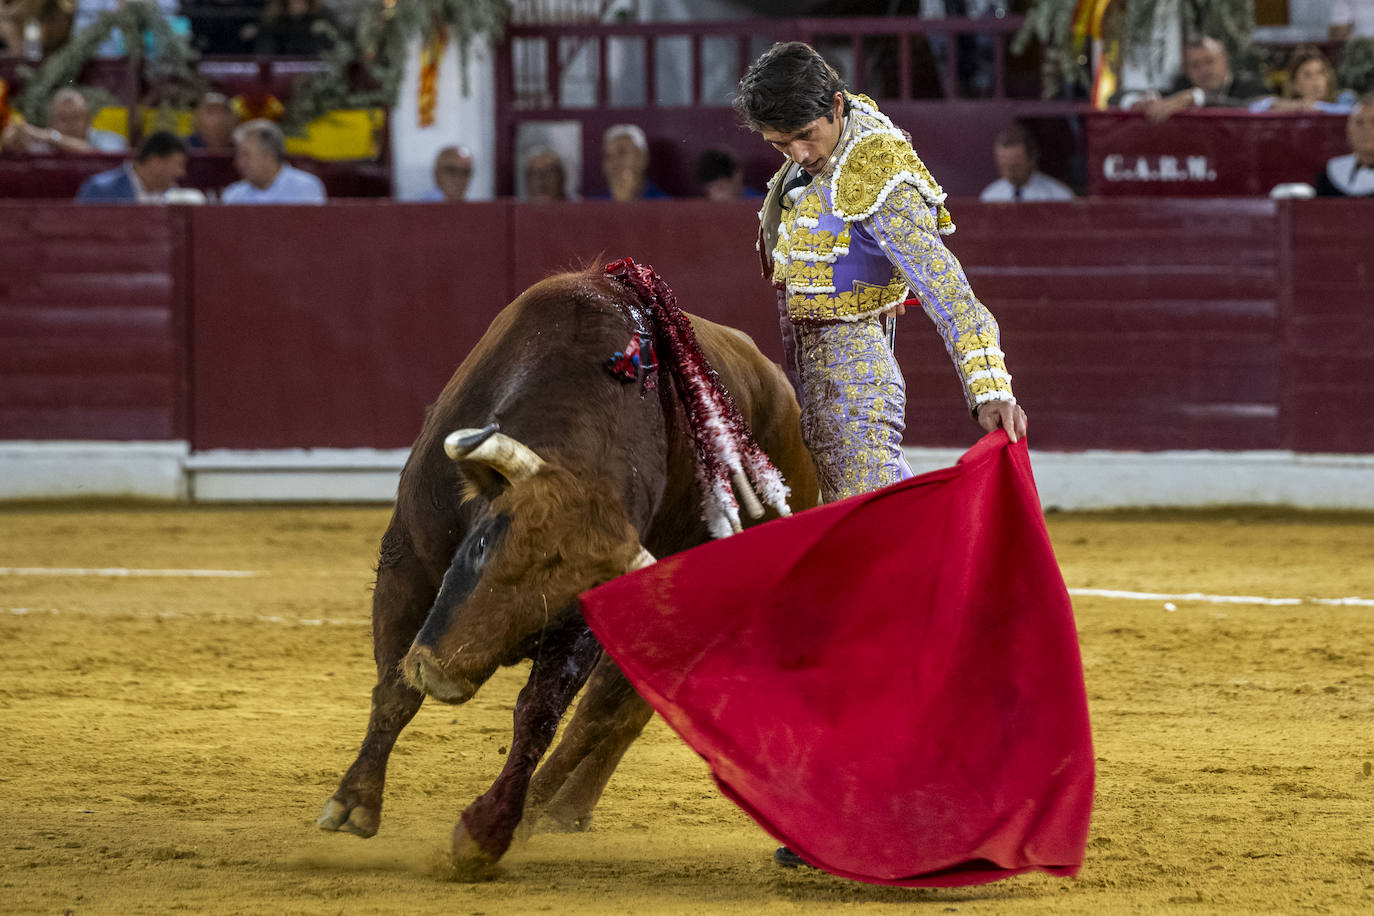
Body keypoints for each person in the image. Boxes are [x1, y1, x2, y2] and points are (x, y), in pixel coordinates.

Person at [1122, 35, 1267, 123]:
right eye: (1195, 65)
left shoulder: (1249, 85)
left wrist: (1198, 97)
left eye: (1209, 61)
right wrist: (1138, 101)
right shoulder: (1182, 86)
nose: (1204, 70)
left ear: (1225, 60)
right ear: (1187, 70)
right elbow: (1114, 98)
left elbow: (1252, 108)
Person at [222, 118, 326, 204]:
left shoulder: (305, 188)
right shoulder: (233, 196)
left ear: (269, 155)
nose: (238, 163)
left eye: (246, 155)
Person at [0, 87, 127, 154]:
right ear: (51, 121)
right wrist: (12, 142)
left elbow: (100, 157)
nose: (70, 123)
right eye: (63, 118)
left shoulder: (112, 139)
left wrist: (51, 136)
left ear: (89, 120)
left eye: (76, 117)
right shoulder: (43, 145)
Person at [75, 130, 188, 202]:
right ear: (155, 161)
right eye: (179, 165)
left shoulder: (176, 198)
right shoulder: (99, 190)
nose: (181, 173)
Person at [978, 124, 1074, 202]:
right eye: (1004, 166)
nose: (1010, 172)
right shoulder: (990, 197)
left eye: (1016, 166)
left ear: (1032, 159)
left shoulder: (1057, 196)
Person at [1250, 46, 1358, 115]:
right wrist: (1277, 103)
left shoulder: (1345, 97)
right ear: (1294, 85)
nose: (1317, 81)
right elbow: (1255, 108)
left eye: (1321, 73)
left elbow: (1350, 112)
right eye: (1308, 75)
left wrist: (1315, 106)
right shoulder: (1294, 109)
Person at [1314, 94, 1374, 197]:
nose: (1367, 130)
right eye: (1359, 123)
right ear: (1349, 132)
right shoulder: (1329, 176)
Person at [601, 123, 669, 201]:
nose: (614, 162)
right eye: (608, 156)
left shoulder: (663, 204)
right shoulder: (592, 204)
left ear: (642, 157)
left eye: (622, 152)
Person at [696, 147, 761, 200]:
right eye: (709, 192)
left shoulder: (762, 204)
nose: (716, 197)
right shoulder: (704, 206)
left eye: (721, 188)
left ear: (737, 178)